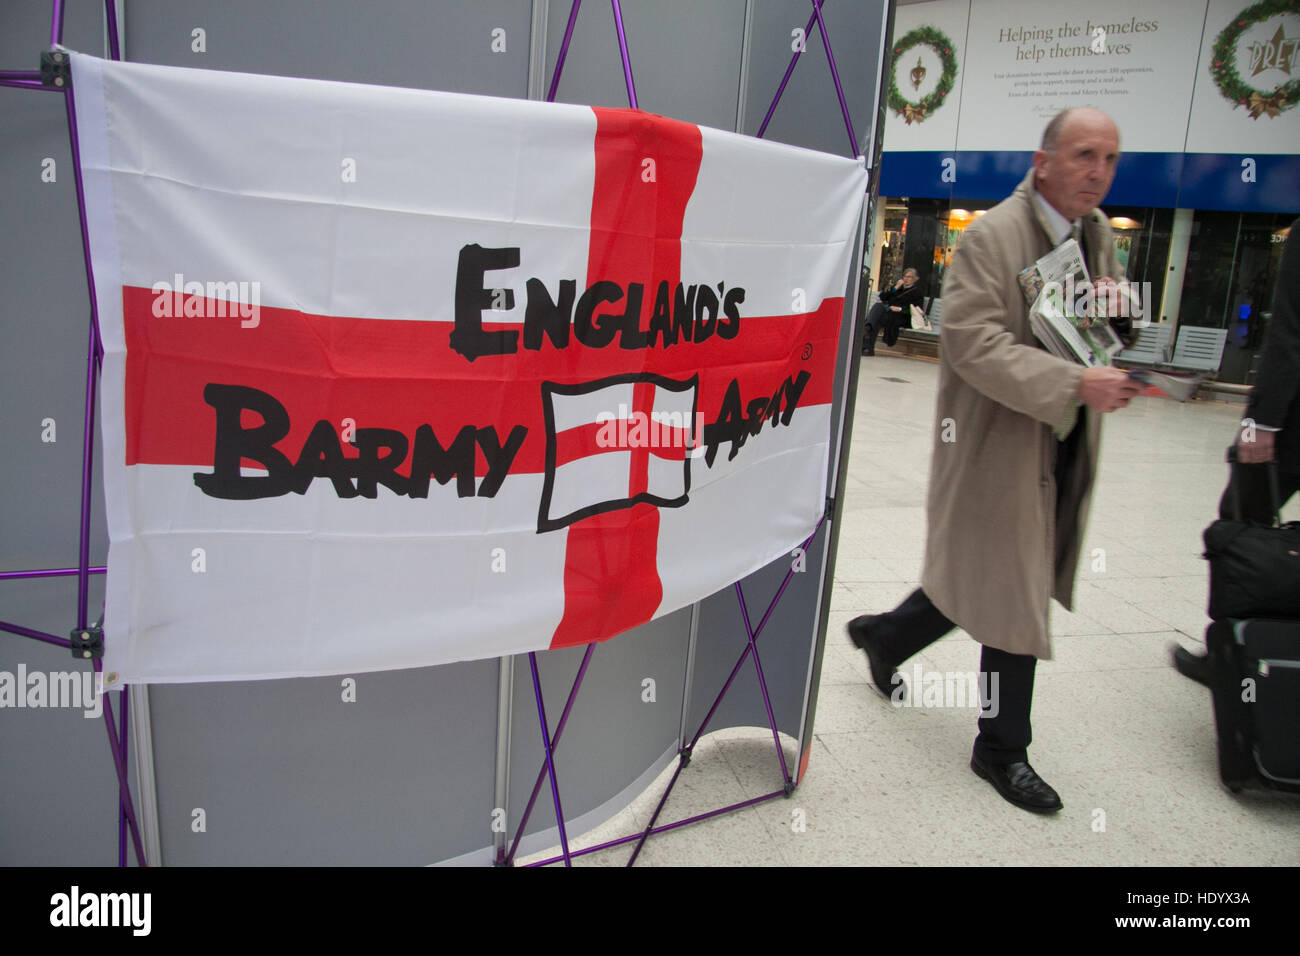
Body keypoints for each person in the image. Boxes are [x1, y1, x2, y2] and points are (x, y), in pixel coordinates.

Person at [847, 107, 1143, 813]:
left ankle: (885, 637)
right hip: (996, 445)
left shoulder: (1098, 235)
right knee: (1014, 588)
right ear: (1043, 161)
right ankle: (1002, 750)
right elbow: (973, 344)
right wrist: (1075, 383)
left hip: (1062, 437)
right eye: (1082, 154)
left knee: (991, 576)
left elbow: (1097, 329)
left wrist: (1118, 312)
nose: (1097, 170)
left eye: (1108, 157)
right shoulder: (991, 236)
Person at [1173, 218, 1300, 685]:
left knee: (1240, 526)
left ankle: (1229, 655)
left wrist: (1261, 421)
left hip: (1289, 425)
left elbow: (1290, 328)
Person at [863, 267, 924, 355]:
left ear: (915, 279)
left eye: (909, 277)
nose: (906, 279)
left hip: (903, 317)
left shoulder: (917, 292)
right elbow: (882, 297)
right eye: (905, 276)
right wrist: (895, 287)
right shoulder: (898, 289)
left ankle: (867, 345)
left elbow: (917, 309)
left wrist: (899, 309)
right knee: (878, 311)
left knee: (876, 318)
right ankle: (868, 333)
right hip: (890, 315)